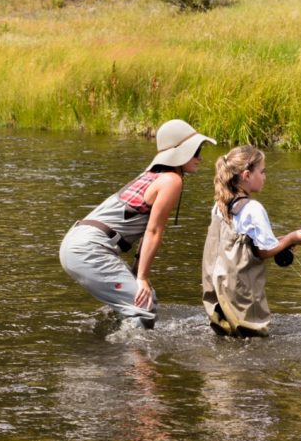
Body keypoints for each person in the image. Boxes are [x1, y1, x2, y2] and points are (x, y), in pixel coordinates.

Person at [60, 119, 215, 328]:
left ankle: (110, 339)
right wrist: (142, 277)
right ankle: (130, 350)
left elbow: (147, 230)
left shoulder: (153, 175)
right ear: (180, 152)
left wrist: (137, 274)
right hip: (88, 249)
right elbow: (154, 231)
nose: (200, 158)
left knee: (141, 299)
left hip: (75, 242)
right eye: (196, 151)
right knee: (145, 308)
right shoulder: (172, 180)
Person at [202, 145, 301, 337]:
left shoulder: (219, 205)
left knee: (226, 334)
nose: (265, 177)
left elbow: (241, 242)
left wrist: (283, 240)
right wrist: (291, 238)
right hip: (241, 288)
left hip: (218, 285)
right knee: (252, 337)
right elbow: (263, 251)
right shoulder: (253, 208)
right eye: (262, 171)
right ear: (246, 175)